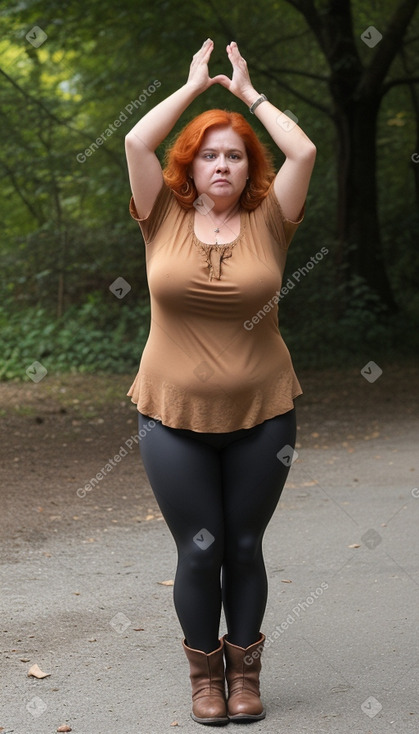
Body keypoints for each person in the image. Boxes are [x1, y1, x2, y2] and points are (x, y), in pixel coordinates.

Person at [125, 38, 316, 725]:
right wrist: (193, 87)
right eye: (209, 153)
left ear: (247, 167)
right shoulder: (160, 216)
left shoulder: (271, 220)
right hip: (169, 412)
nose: (221, 164)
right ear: (191, 164)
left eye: (233, 154)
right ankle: (205, 678)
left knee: (242, 544)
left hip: (263, 411)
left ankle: (245, 673)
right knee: (200, 548)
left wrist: (244, 96)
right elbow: (134, 141)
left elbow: (304, 153)